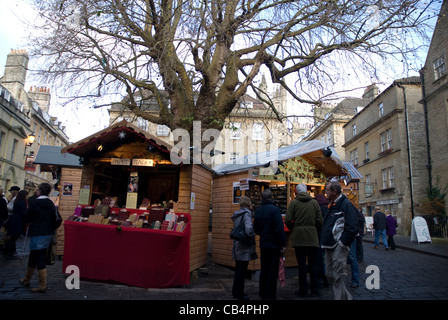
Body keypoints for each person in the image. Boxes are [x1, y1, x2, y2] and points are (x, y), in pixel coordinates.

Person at [320, 180, 358, 300]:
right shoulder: (332, 204)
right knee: (330, 275)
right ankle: (347, 297)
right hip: (328, 245)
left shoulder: (346, 204)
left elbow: (352, 227)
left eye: (327, 190)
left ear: (334, 192)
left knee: (337, 277)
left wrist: (342, 243)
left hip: (338, 246)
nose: (325, 192)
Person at [20, 183, 60, 293]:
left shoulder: (34, 203)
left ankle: (43, 284)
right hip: (47, 233)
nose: (36, 191)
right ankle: (27, 279)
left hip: (37, 232)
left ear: (40, 191)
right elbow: (57, 219)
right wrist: (51, 228)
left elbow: (27, 217)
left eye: (38, 190)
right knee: (34, 255)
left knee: (39, 257)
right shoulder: (51, 204)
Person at [285, 183, 323, 297]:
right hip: (312, 237)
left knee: (301, 266)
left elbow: (288, 220)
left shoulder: (294, 203)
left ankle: (303, 290)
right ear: (306, 191)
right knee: (313, 265)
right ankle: (315, 289)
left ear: (296, 192)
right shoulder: (314, 203)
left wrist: (294, 228)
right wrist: (314, 229)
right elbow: (320, 220)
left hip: (299, 237)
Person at [254, 189, 286, 300]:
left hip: (264, 243)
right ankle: (270, 294)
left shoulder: (258, 211)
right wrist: (283, 243)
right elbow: (279, 228)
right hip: (274, 244)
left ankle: (262, 292)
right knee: (272, 271)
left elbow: (256, 229)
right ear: (272, 197)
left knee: (264, 269)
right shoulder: (275, 210)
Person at [231, 196, 257, 300]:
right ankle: (239, 294)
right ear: (248, 204)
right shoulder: (246, 214)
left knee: (238, 270)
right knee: (242, 271)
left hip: (237, 244)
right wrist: (252, 235)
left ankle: (236, 291)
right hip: (244, 245)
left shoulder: (237, 215)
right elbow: (249, 229)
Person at [4, 190, 28, 259]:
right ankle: (10, 251)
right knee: (13, 237)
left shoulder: (17, 201)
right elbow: (23, 213)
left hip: (14, 219)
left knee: (12, 236)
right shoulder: (22, 202)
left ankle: (11, 251)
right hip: (18, 221)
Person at [347, 207, 365, 288]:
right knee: (351, 257)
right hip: (351, 235)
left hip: (350, 236)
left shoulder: (349, 209)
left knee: (352, 257)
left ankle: (355, 280)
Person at [314, 193, 329, 289]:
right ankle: (326, 279)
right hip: (326, 237)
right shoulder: (328, 209)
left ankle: (321, 278)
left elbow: (318, 222)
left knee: (319, 259)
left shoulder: (317, 209)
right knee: (324, 259)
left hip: (318, 236)